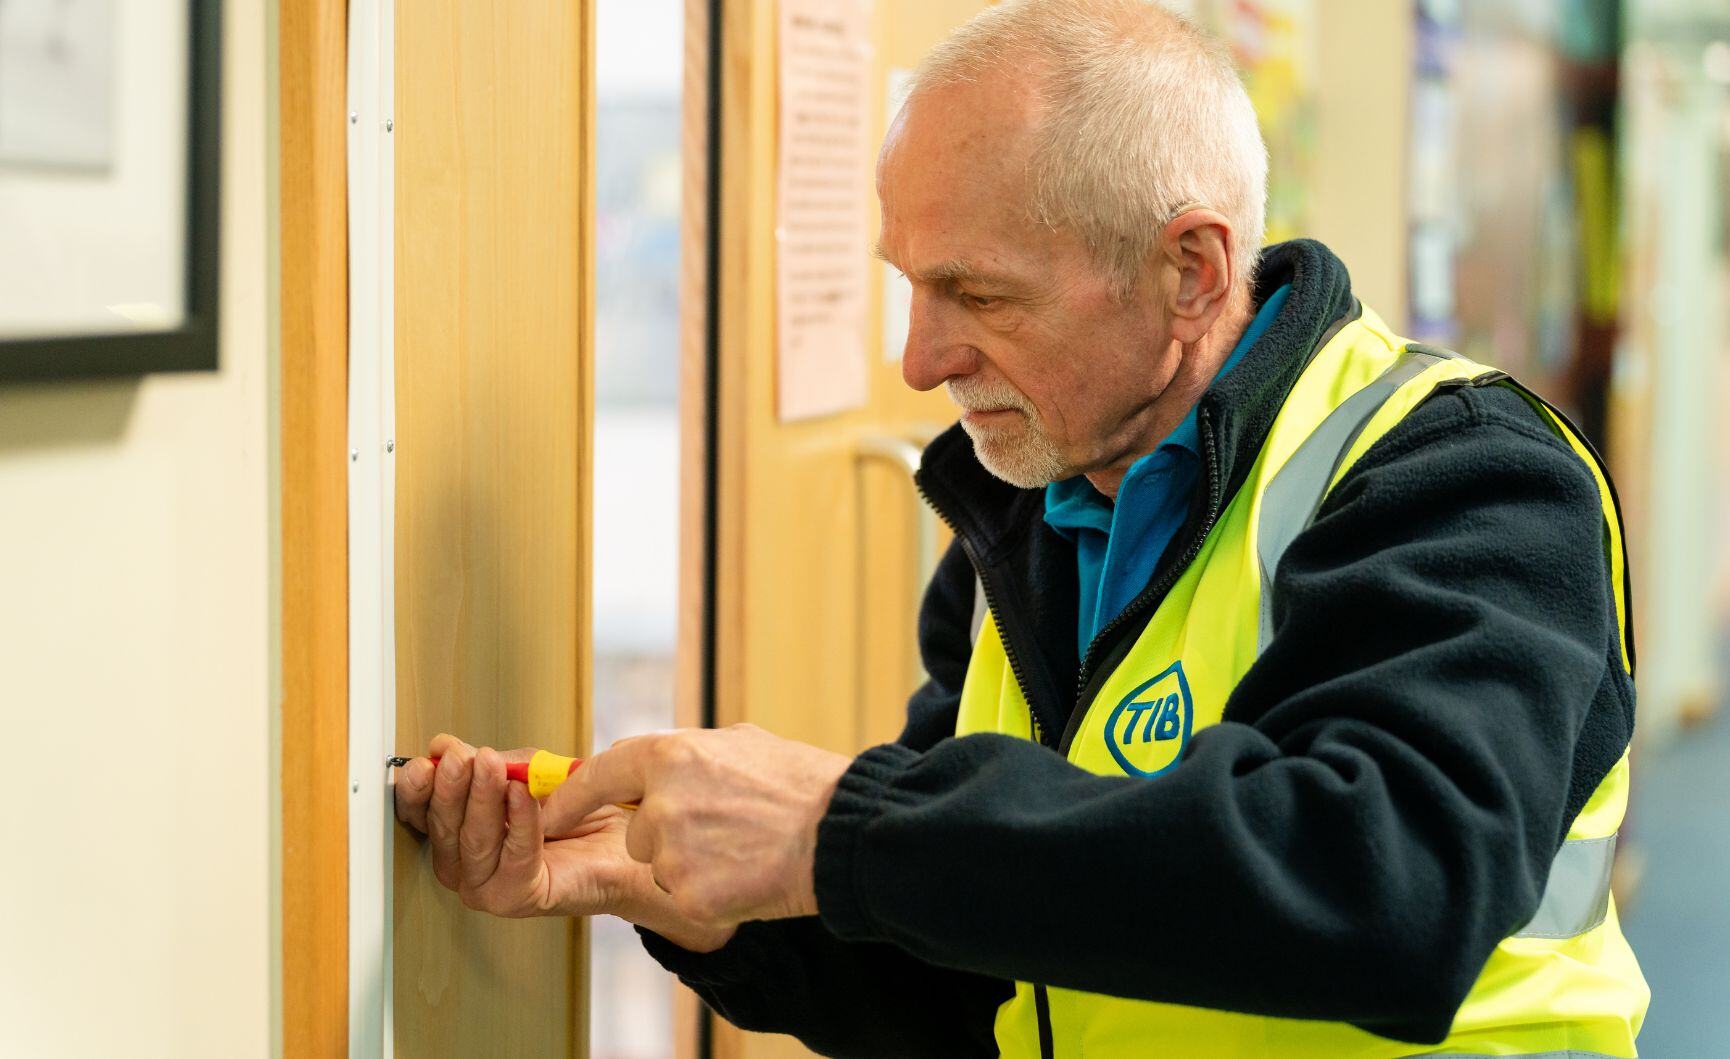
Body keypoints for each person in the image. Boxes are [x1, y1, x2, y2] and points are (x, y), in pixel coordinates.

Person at [393, 1, 1649, 1054]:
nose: (917, 361)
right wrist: (697, 903)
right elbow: (978, 971)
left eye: (976, 293)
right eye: (908, 285)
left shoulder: (1462, 478)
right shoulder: (1031, 513)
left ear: (1191, 271)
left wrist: (839, 823)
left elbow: (1389, 883)